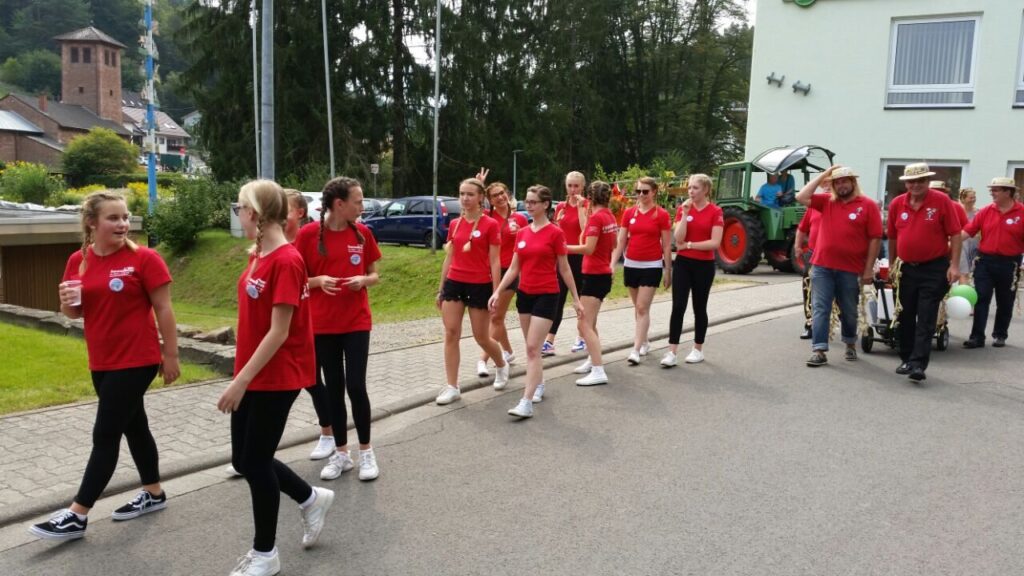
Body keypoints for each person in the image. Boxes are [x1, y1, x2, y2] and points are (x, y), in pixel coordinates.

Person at [30, 191, 180, 541]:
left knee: (105, 434)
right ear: (91, 223)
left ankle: (77, 514)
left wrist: (171, 354)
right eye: (113, 218)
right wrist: (66, 302)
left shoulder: (144, 259)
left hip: (137, 358)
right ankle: (154, 492)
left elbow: (164, 308)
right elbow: (74, 312)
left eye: (125, 217)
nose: (123, 223)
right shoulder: (78, 260)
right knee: (135, 427)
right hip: (102, 359)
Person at [219, 180, 334, 576]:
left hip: (278, 373)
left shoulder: (286, 260)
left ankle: (265, 554)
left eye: (240, 208)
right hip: (253, 370)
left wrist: (240, 381)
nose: (238, 214)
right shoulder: (259, 254)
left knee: (255, 462)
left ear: (254, 212)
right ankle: (311, 498)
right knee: (244, 459)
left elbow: (279, 332)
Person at [295, 177, 382, 482]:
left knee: (356, 386)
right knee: (333, 388)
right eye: (358, 201)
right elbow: (295, 280)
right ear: (339, 204)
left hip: (356, 321)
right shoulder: (307, 235)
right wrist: (318, 281)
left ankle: (366, 451)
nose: (362, 206)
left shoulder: (362, 233)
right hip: (322, 324)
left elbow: (374, 274)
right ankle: (341, 454)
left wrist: (364, 280)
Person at [490, 185, 582, 418]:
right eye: (527, 201)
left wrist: (576, 298)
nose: (528, 205)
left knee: (533, 348)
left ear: (545, 205)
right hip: (525, 295)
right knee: (531, 348)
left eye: (533, 202)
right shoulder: (522, 233)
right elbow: (514, 268)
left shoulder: (555, 233)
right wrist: (497, 291)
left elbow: (565, 268)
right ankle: (538, 383)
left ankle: (526, 402)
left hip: (547, 295)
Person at [796, 166, 882, 367]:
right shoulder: (826, 201)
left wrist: (868, 269)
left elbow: (875, 239)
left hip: (850, 268)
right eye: (837, 182)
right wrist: (825, 173)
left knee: (849, 309)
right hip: (822, 266)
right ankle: (819, 350)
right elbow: (801, 196)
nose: (841, 185)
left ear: (853, 182)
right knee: (820, 307)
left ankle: (850, 343)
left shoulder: (867, 205)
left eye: (845, 181)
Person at [435, 178, 509, 405]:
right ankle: (452, 386)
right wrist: (441, 289)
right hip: (454, 282)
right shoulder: (455, 224)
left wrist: (496, 293)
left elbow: (495, 261)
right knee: (451, 333)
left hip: (480, 284)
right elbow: (449, 257)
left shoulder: (490, 224)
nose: (465, 198)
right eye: (461, 194)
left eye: (470, 194)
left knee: (481, 337)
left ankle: (501, 364)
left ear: (480, 198)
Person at [887, 163, 962, 381]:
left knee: (926, 315)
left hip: (934, 268)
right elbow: (892, 237)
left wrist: (954, 265)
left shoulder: (941, 201)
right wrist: (892, 265)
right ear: (906, 184)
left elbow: (956, 234)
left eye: (921, 180)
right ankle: (906, 358)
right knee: (905, 315)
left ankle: (918, 364)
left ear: (928, 181)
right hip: (905, 268)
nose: (916, 185)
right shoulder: (897, 203)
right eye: (912, 181)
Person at [282, 189, 335, 462]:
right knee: (289, 383)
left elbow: (307, 278)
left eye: (285, 209)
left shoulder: (308, 239)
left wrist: (318, 281)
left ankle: (329, 434)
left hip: (308, 322)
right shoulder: (272, 243)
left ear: (299, 213)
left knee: (311, 380)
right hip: (281, 322)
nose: (279, 214)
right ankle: (252, 449)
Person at [661, 174, 724, 367]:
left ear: (705, 190)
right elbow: (678, 238)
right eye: (689, 187)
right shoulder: (683, 208)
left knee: (699, 306)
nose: (690, 191)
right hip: (683, 264)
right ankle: (672, 351)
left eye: (695, 188)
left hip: (704, 265)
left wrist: (689, 245)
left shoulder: (715, 211)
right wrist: (685, 215)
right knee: (678, 306)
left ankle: (698, 349)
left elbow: (714, 242)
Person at [612, 177, 671, 364]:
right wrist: (612, 263)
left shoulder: (661, 214)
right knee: (637, 307)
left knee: (642, 307)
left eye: (645, 191)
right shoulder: (629, 213)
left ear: (654, 192)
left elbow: (667, 245)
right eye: (638, 191)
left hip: (651, 265)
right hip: (631, 264)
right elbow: (621, 241)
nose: (641, 195)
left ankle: (635, 350)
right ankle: (644, 341)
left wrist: (668, 270)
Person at [960, 177, 1024, 349]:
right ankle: (977, 337)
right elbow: (968, 231)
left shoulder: (1022, 212)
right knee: (981, 298)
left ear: (1008, 192)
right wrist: (949, 245)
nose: (991, 193)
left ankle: (1000, 335)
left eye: (995, 190)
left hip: (1010, 264)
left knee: (1005, 301)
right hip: (985, 262)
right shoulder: (986, 211)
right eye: (992, 190)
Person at [569, 180, 618, 386]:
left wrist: (562, 247)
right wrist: (583, 211)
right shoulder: (608, 216)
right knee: (591, 323)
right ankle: (593, 359)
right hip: (601, 273)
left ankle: (598, 370)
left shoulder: (597, 218)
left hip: (595, 275)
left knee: (583, 324)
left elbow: (587, 248)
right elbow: (614, 244)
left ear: (589, 197)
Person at [477, 181, 527, 377]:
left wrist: (520, 234)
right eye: (494, 195)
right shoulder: (486, 218)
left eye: (502, 193)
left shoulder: (520, 218)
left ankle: (483, 360)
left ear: (507, 194)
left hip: (510, 272)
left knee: (496, 316)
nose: (499, 197)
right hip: (488, 271)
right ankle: (508, 352)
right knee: (497, 316)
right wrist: (479, 185)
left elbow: (527, 244)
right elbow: (469, 207)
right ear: (489, 200)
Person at [544, 171, 588, 356]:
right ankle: (549, 340)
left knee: (581, 299)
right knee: (558, 298)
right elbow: (556, 231)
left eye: (576, 186)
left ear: (582, 187)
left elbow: (586, 230)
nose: (573, 189)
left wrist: (580, 208)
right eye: (570, 185)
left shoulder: (587, 205)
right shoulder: (561, 206)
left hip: (581, 257)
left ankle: (582, 337)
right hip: (563, 258)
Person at [794, 179, 831, 339]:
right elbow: (802, 228)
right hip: (813, 254)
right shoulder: (813, 206)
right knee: (808, 288)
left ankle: (839, 324)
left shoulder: (839, 205)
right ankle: (810, 324)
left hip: (832, 256)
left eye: (831, 183)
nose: (827, 186)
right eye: (825, 184)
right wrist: (797, 246)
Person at [958, 187, 979, 285]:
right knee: (964, 271)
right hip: (962, 243)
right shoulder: (958, 211)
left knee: (974, 270)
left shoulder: (978, 212)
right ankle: (963, 291)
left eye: (974, 197)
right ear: (963, 199)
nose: (973, 199)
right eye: (970, 198)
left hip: (975, 243)